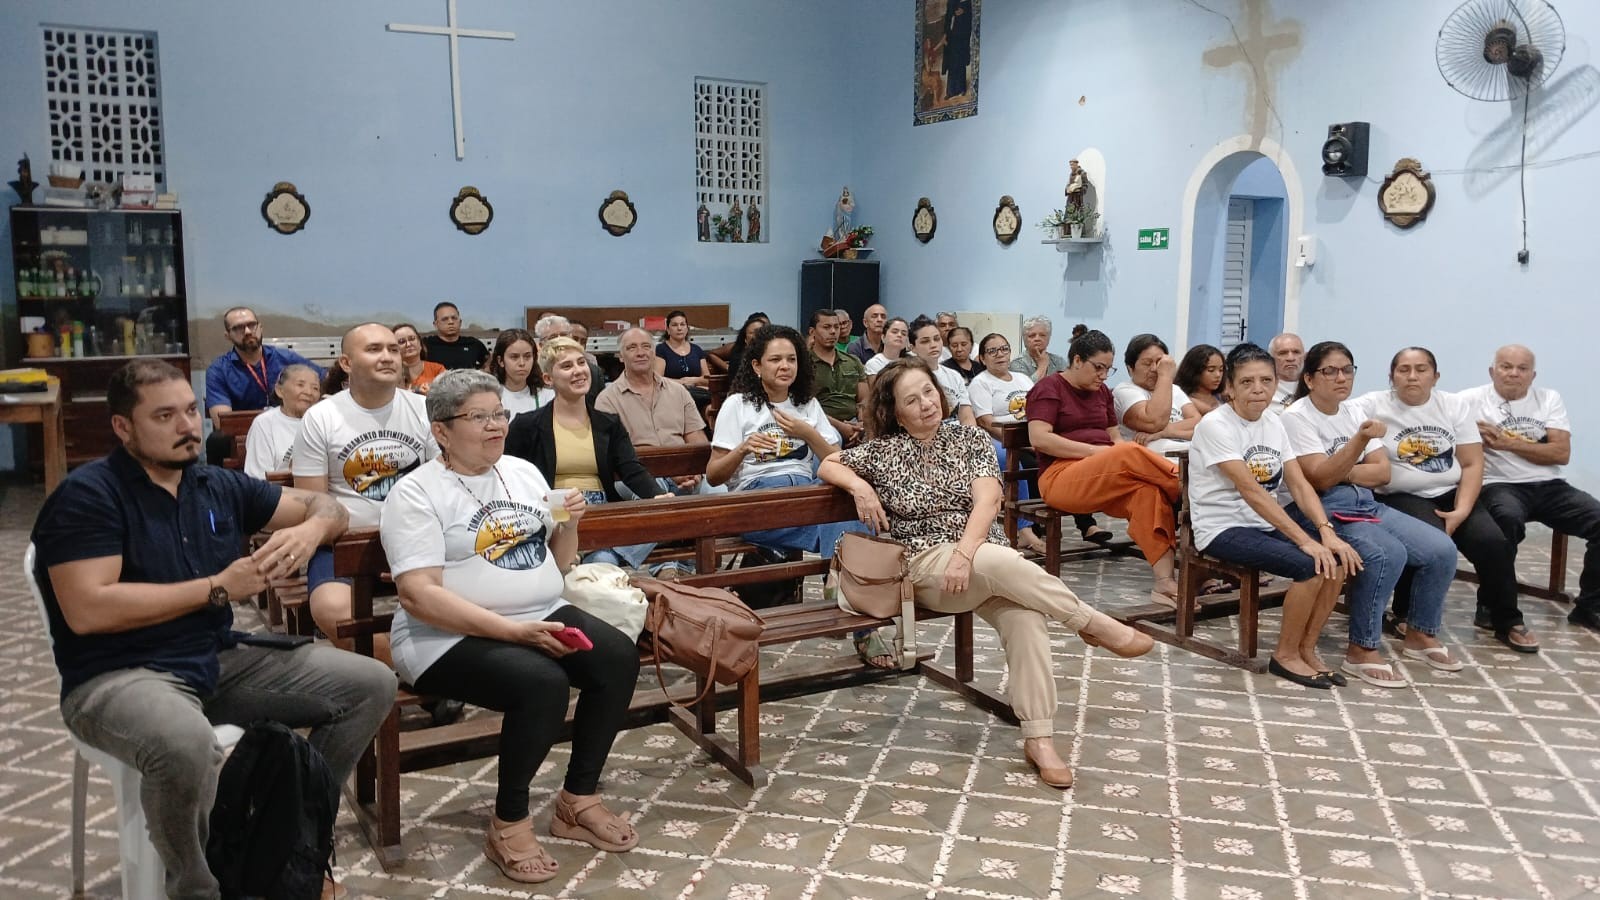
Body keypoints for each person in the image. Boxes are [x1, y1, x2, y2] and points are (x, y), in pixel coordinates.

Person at [33, 359, 392, 899]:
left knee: (370, 685)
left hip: (214, 658)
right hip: (117, 675)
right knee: (185, 742)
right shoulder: (89, 495)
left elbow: (324, 504)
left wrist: (314, 526)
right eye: (164, 415)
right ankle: (199, 887)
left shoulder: (215, 484)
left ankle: (279, 849)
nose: (186, 427)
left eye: (190, 410)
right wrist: (218, 588)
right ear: (122, 428)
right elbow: (90, 609)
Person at [819, 357, 1152, 789]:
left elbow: (988, 500)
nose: (925, 404)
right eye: (911, 400)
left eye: (928, 392)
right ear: (895, 412)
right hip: (924, 568)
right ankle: (1092, 623)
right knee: (1000, 562)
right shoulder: (884, 452)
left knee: (1026, 616)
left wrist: (965, 552)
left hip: (979, 562)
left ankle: (1039, 737)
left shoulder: (970, 439)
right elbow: (829, 463)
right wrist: (861, 486)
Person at [381, 370, 640, 884]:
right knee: (541, 683)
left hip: (538, 614)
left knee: (616, 656)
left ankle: (577, 800)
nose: (497, 426)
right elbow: (419, 595)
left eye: (499, 414)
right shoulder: (415, 493)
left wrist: (570, 525)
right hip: (442, 636)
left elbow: (557, 566)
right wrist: (513, 633)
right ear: (441, 430)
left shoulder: (521, 472)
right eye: (480, 417)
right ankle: (509, 820)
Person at [1283, 342, 1462, 686]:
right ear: (1309, 378)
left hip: (1365, 502)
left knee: (1440, 549)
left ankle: (1420, 632)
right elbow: (1318, 479)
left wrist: (1344, 470)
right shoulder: (1296, 416)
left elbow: (1382, 473)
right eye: (1330, 371)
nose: (1340, 378)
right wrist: (1356, 448)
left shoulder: (1352, 413)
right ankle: (1361, 648)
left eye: (1347, 370)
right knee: (1385, 553)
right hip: (1321, 509)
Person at [1189, 343, 1360, 688]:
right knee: (1312, 565)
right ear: (1230, 388)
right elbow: (1252, 491)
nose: (1258, 389)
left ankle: (1306, 649)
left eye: (1266, 380)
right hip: (1222, 527)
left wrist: (1325, 532)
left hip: (1262, 523)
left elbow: (1297, 483)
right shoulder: (1215, 426)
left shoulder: (1273, 422)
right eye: (1247, 382)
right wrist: (1304, 541)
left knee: (1336, 561)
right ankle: (1284, 656)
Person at [1353, 347, 1535, 652]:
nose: (1413, 376)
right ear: (1391, 376)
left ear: (1435, 377)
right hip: (1400, 495)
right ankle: (1406, 615)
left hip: (1452, 493)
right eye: (1404, 370)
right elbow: (1332, 411)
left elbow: (1472, 463)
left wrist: (1462, 510)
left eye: (1422, 369)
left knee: (1493, 542)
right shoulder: (1372, 404)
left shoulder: (1454, 406)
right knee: (1431, 542)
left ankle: (1507, 619)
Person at [292, 324, 439, 657]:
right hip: (344, 546)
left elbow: (441, 490)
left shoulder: (424, 410)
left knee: (475, 594)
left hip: (419, 541)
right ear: (346, 362)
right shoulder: (321, 417)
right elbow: (312, 503)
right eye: (374, 349)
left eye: (392, 349)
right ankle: (415, 674)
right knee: (331, 611)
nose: (387, 356)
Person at [1027, 329, 1182, 605]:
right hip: (1060, 477)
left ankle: (1164, 583)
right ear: (1076, 360)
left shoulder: (1102, 393)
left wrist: (1109, 454)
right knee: (1127, 452)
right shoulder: (1049, 388)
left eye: (1108, 370)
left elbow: (1114, 438)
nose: (1102, 375)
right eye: (1098, 367)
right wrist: (1097, 453)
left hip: (1104, 471)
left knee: (1148, 493)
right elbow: (1040, 439)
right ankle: (1183, 487)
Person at [1458, 344, 1600, 634]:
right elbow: (1448, 438)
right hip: (1498, 484)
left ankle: (1589, 607)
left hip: (1549, 485)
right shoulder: (1468, 400)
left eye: (1522, 369)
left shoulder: (1548, 399)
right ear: (1492, 371)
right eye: (1506, 367)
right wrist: (1471, 436)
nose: (1513, 374)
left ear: (1532, 375)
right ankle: (1491, 604)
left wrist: (1506, 442)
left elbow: (1561, 453)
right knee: (1504, 522)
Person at [505, 337, 664, 569]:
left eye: (581, 363)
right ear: (548, 379)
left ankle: (599, 554)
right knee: (601, 562)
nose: (579, 371)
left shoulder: (608, 423)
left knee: (662, 512)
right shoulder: (526, 425)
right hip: (553, 515)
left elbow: (631, 469)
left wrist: (657, 496)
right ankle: (596, 556)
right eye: (567, 366)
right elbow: (510, 476)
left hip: (601, 515)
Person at [708, 325, 860, 560]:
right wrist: (743, 449)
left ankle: (840, 577)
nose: (785, 366)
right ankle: (845, 580)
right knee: (848, 522)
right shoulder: (738, 404)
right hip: (758, 497)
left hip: (804, 494)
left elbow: (837, 460)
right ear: (757, 366)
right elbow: (713, 475)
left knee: (850, 504)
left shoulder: (807, 404)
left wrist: (808, 433)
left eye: (792, 359)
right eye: (775, 359)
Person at [596, 327, 712, 495]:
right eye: (632, 348)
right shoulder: (607, 399)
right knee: (652, 495)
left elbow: (696, 438)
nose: (641, 352)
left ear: (653, 353)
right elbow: (615, 456)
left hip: (685, 470)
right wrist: (669, 472)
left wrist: (695, 472)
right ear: (621, 356)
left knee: (718, 488)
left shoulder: (678, 391)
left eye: (646, 346)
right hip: (637, 474)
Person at [203, 306, 321, 462]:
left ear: (260, 327)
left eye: (252, 325)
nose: (247, 331)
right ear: (228, 336)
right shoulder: (218, 370)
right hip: (244, 434)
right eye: (238, 328)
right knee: (217, 441)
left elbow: (324, 380)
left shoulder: (286, 358)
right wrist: (265, 425)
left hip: (292, 423)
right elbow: (222, 422)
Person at [967, 333, 1048, 555]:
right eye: (992, 351)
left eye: (1003, 349)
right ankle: (1025, 531)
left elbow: (1037, 409)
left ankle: (1044, 517)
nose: (999, 355)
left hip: (1029, 435)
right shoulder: (981, 383)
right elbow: (985, 421)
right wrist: (1017, 444)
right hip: (996, 439)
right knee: (1016, 464)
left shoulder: (1022, 378)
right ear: (982, 358)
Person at [1112, 333, 1199, 455]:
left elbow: (1197, 422)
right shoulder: (1125, 390)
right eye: (1147, 363)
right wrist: (1165, 376)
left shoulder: (1173, 389)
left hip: (1187, 450)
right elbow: (1153, 423)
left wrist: (1164, 432)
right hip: (1152, 458)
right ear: (1130, 368)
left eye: (1159, 362)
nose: (1154, 368)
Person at [242, 363, 320, 479]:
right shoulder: (264, 423)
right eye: (300, 385)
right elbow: (258, 478)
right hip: (280, 494)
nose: (309, 392)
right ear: (280, 390)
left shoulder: (323, 422)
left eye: (315, 388)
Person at [807, 308, 868, 446]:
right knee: (831, 439)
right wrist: (841, 427)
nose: (833, 331)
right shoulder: (804, 364)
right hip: (821, 424)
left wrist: (861, 424)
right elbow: (806, 407)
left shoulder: (853, 361)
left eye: (836, 327)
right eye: (826, 327)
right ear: (812, 332)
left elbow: (865, 399)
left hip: (855, 423)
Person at [908, 316, 976, 427]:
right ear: (913, 348)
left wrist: (970, 439)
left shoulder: (954, 376)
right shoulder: (909, 377)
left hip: (960, 436)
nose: (933, 345)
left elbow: (967, 415)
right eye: (925, 341)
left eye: (936, 339)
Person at [534, 314, 606, 405]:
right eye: (553, 337)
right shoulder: (532, 373)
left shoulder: (593, 372)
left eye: (564, 335)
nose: (559, 341)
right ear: (541, 345)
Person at [653, 310, 711, 409]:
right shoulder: (661, 349)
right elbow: (658, 379)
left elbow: (708, 379)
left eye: (682, 324)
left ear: (687, 328)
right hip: (672, 394)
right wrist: (682, 382)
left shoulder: (697, 350)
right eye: (675, 325)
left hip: (698, 394)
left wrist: (695, 380)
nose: (679, 328)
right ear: (668, 329)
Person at [489, 328, 550, 418]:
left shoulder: (547, 397)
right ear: (501, 361)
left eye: (527, 356)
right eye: (514, 357)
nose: (522, 363)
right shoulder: (489, 397)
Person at [424, 301, 490, 371]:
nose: (450, 322)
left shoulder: (473, 343)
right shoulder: (425, 345)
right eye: (445, 319)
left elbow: (488, 362)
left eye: (454, 318)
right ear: (435, 324)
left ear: (460, 322)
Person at [709, 312, 769, 376]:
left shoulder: (773, 350)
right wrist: (727, 368)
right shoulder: (737, 351)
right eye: (754, 331)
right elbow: (712, 354)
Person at [394, 322, 446, 395]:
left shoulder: (437, 369)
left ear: (420, 344)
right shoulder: (391, 372)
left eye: (412, 339)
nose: (408, 344)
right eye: (401, 341)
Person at [1011, 315, 1068, 380]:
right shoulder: (1017, 363)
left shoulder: (1059, 361)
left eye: (1042, 335)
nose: (1037, 339)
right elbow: (1025, 389)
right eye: (1032, 335)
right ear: (1024, 339)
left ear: (1048, 337)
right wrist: (1042, 366)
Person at [1177, 343, 1227, 415]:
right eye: (1211, 370)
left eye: (1221, 370)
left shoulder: (1221, 396)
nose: (1218, 375)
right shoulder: (1184, 399)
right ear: (1194, 371)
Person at [1269, 332, 1305, 412]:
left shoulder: (1314, 384)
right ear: (1271, 358)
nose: (1291, 358)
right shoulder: (1264, 387)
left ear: (1304, 356)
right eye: (1283, 353)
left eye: (1296, 352)